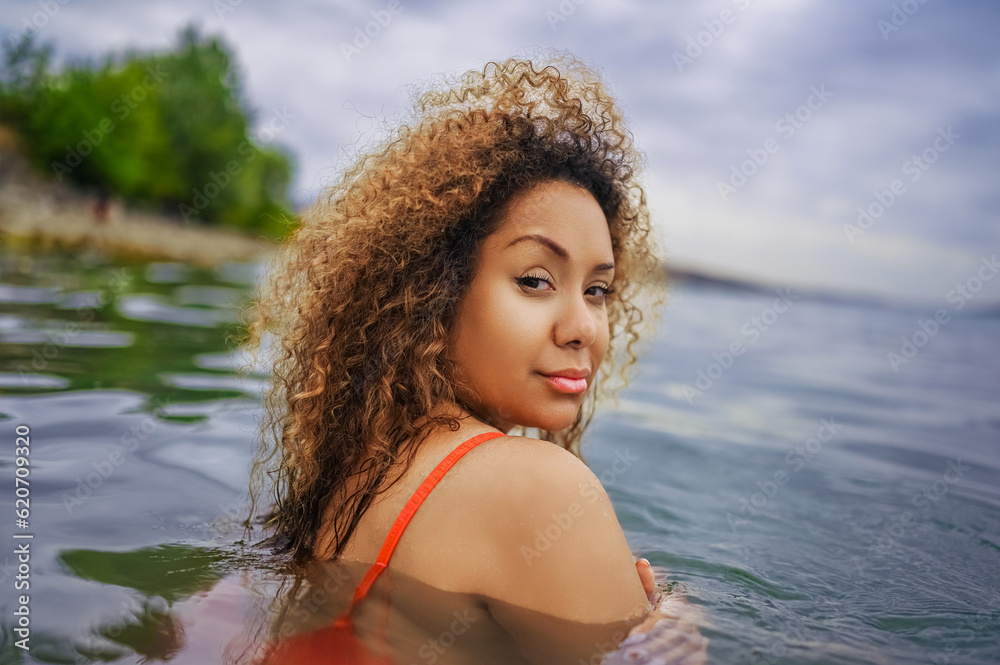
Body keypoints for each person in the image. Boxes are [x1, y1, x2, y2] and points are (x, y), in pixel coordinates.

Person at [240, 51, 706, 664]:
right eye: (536, 280)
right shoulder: (538, 489)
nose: (583, 328)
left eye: (598, 290)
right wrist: (670, 640)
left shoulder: (360, 470)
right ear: (434, 290)